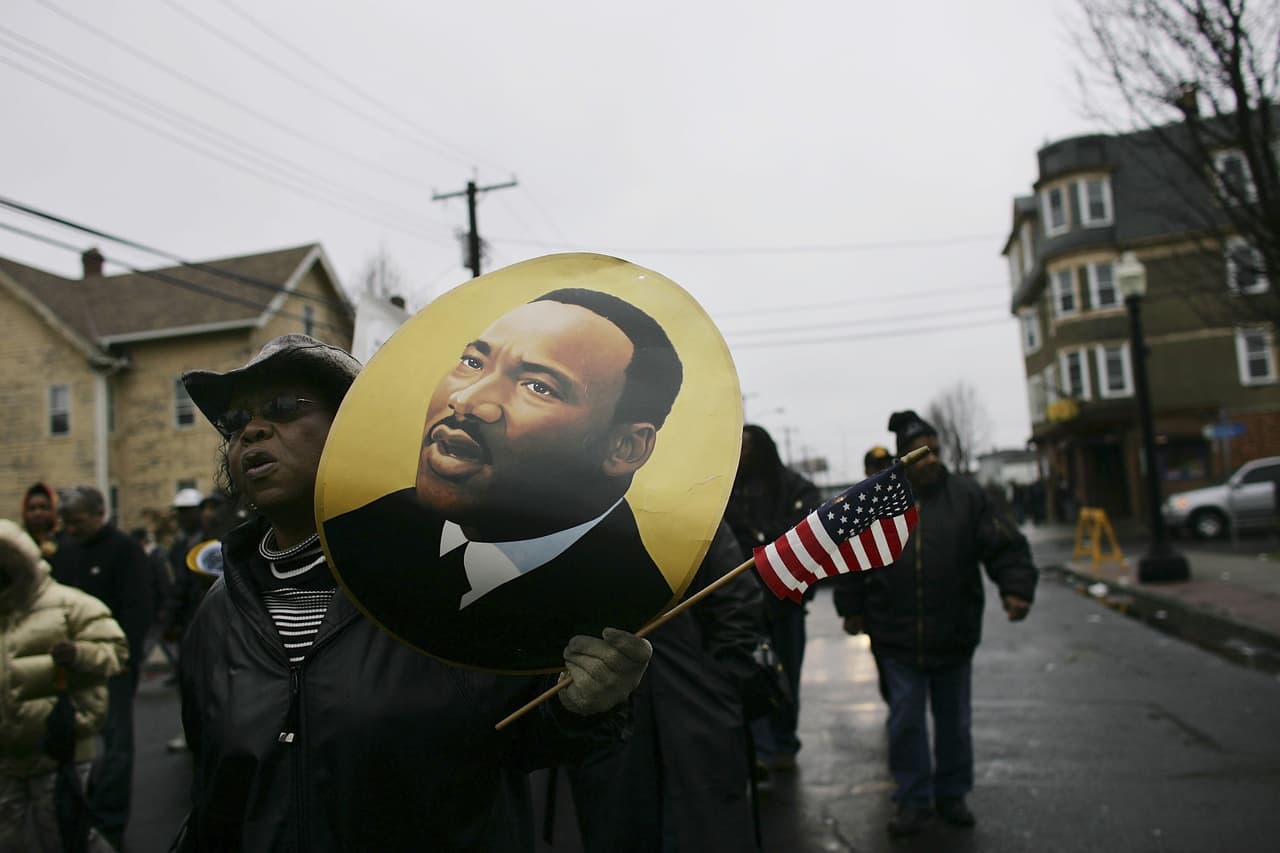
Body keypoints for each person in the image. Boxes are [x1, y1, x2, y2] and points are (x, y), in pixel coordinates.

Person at [175, 333, 652, 851]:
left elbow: (526, 737)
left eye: (283, 407)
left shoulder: (452, 573)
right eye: (235, 422)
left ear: (355, 428)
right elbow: (212, 798)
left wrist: (583, 704)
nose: (252, 430)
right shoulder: (219, 610)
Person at [316, 288, 684, 670]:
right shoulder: (358, 532)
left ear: (624, 447)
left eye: (539, 387)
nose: (467, 400)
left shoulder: (642, 620)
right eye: (473, 362)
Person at [833, 410, 1037, 837]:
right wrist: (851, 608)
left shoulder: (968, 496)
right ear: (903, 456)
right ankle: (913, 800)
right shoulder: (880, 499)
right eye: (921, 453)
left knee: (954, 722)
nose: (931, 461)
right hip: (895, 635)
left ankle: (952, 794)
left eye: (936, 452)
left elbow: (1005, 546)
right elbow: (852, 559)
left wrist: (1015, 587)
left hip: (953, 632)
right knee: (905, 719)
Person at [565, 522, 762, 852]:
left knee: (707, 825)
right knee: (621, 824)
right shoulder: (572, 522)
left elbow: (737, 605)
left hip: (693, 704)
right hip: (613, 720)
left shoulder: (698, 514)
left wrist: (716, 681)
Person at [0, 518, 128, 853]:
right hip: (6, 759)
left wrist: (80, 656)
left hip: (61, 752)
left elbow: (115, 653)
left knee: (68, 834)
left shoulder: (70, 605)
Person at [49, 485, 153, 851]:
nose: (70, 529)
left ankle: (109, 825)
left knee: (115, 747)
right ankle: (77, 818)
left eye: (76, 521)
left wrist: (125, 659)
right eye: (66, 522)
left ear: (98, 514)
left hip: (112, 669)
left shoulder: (124, 551)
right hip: (71, 667)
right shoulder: (65, 551)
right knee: (76, 747)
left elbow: (138, 609)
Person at [724, 423, 821, 773]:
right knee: (751, 676)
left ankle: (783, 742)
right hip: (743, 606)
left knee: (786, 675)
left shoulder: (793, 488)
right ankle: (761, 751)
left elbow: (812, 531)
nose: (742, 453)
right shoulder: (725, 490)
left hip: (785, 603)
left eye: (748, 447)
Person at [20, 483, 59, 558]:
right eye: (32, 508)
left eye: (43, 507)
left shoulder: (67, 543)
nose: (38, 513)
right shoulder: (20, 546)